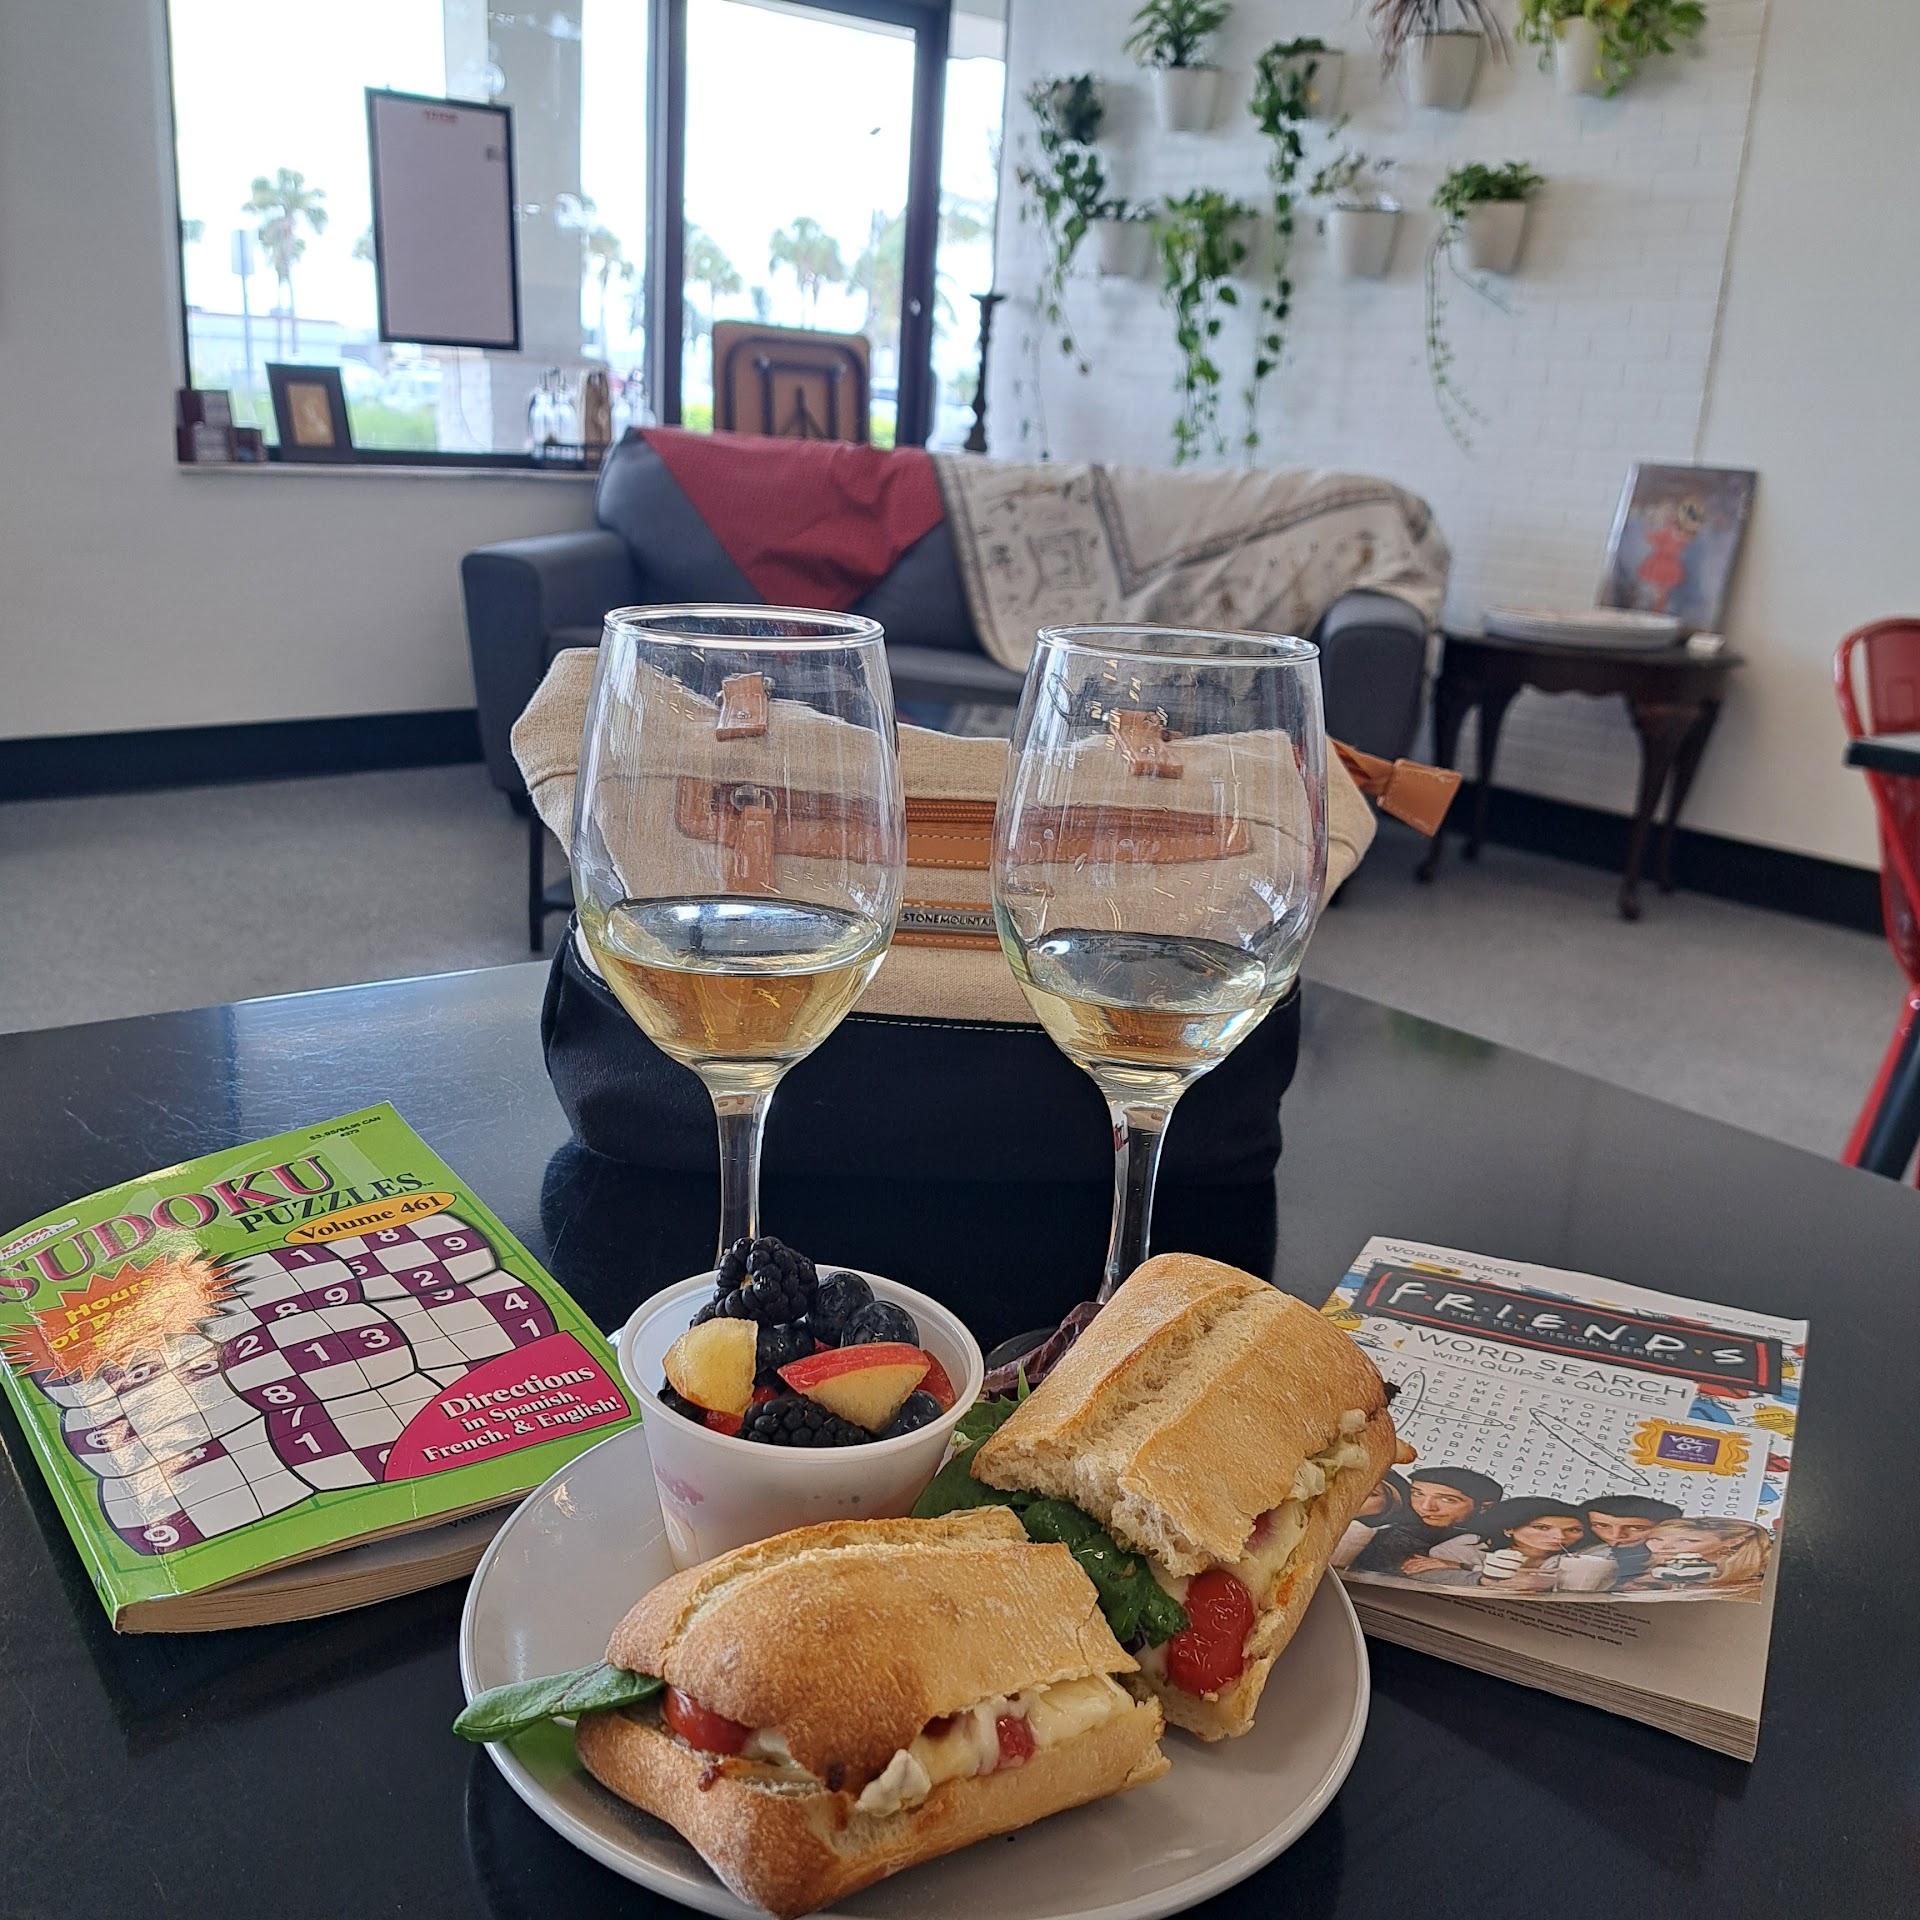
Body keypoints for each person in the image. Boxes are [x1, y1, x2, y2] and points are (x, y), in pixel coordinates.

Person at [1346, 1466, 1502, 1577]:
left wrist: (1460, 1566)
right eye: (1418, 1494)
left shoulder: (1499, 1538)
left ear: (1484, 1507)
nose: (1426, 1507)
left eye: (1447, 1500)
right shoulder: (1392, 1535)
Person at [1458, 1498, 1593, 1591]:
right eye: (1542, 1528)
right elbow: (1444, 1574)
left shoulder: (1584, 1557)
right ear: (1509, 1529)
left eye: (1573, 1530)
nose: (1560, 1536)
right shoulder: (1469, 1545)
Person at [1616, 1517, 1772, 1596]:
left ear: (1732, 1542)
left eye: (1686, 1541)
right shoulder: (1654, 1569)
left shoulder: (1760, 1575)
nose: (1663, 1547)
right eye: (1656, 1539)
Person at [1557, 1495, 1682, 1590]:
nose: (1616, 1535)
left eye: (1636, 1528)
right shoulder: (1582, 1552)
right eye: (1602, 1525)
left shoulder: (1679, 1557)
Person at [1333, 1469, 1412, 1569]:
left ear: (1391, 1505)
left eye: (1371, 1494)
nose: (1355, 1497)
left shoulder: (1360, 1533)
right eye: (1353, 1488)